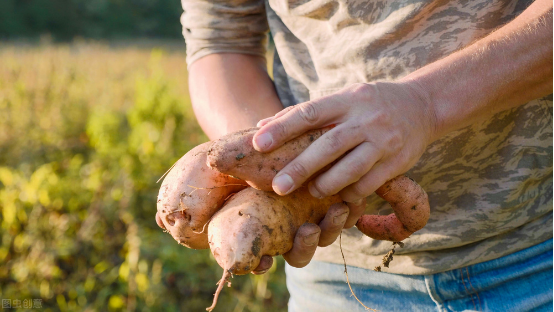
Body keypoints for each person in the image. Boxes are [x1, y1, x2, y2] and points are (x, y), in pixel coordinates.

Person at [181, 0, 553, 310]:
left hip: (535, 252)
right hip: (336, 285)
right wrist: (279, 170)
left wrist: (425, 104)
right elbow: (220, 39)